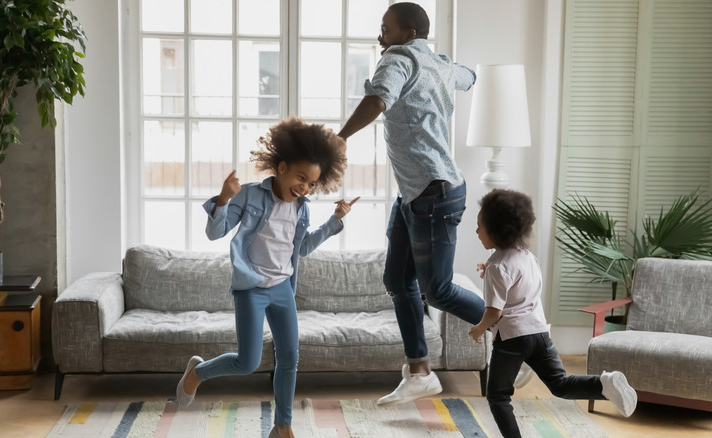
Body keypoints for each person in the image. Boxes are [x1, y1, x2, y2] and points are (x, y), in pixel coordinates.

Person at [337, 2, 484, 406]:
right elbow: (469, 77)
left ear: (408, 34)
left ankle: (515, 334)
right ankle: (419, 371)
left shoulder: (398, 58)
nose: (380, 37)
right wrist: (464, 71)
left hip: (433, 194)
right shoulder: (437, 63)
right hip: (418, 193)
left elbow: (379, 98)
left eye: (386, 29)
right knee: (397, 281)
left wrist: (341, 137)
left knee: (435, 290)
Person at [176, 117, 357, 438]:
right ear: (283, 167)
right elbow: (214, 233)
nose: (305, 187)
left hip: (283, 289)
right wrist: (223, 198)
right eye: (301, 178)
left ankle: (282, 426)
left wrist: (334, 221)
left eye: (312, 183)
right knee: (247, 362)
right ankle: (198, 372)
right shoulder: (248, 196)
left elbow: (302, 249)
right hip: (252, 289)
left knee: (290, 359)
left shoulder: (302, 208)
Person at [468, 189, 637, 437]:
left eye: (479, 226)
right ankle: (603, 383)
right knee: (560, 384)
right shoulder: (527, 257)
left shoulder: (497, 266)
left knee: (498, 396)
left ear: (497, 231)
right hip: (538, 333)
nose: (476, 231)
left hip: (512, 338)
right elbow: (516, 280)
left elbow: (494, 311)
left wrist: (480, 328)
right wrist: (490, 266)